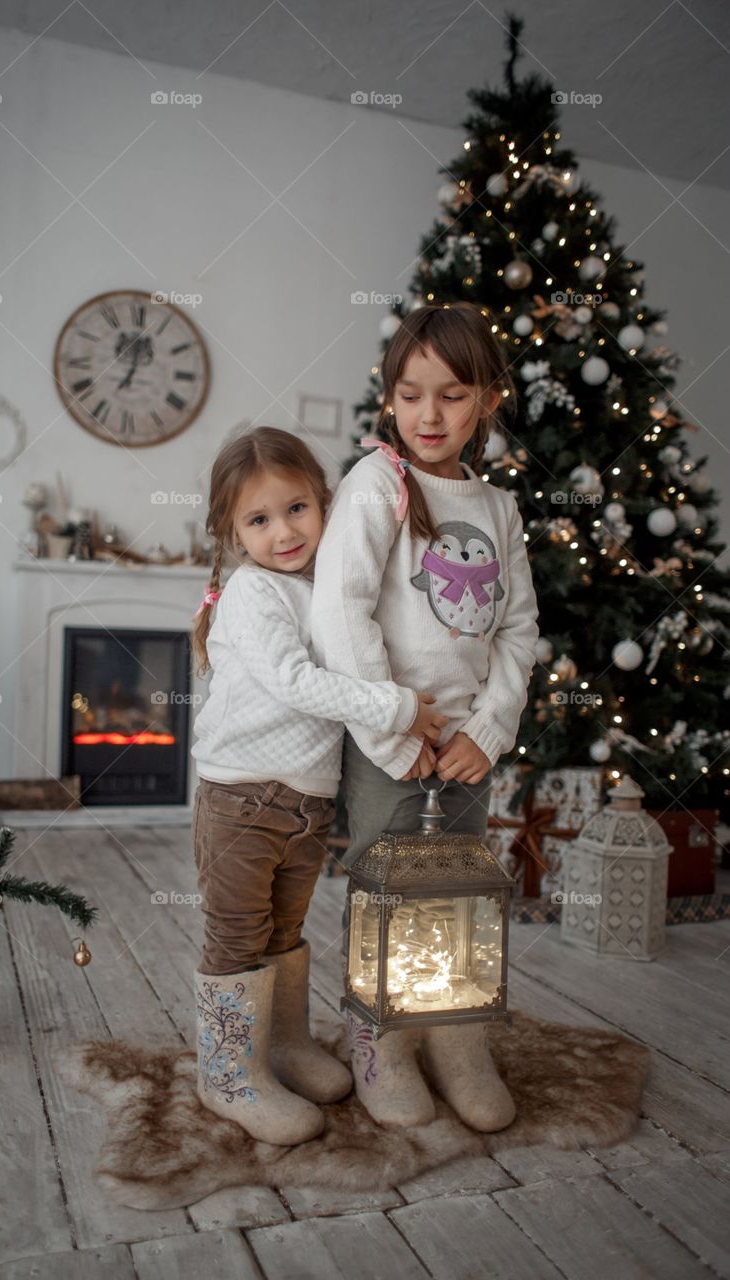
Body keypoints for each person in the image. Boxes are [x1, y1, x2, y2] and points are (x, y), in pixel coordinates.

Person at [311, 303, 540, 1131]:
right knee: (385, 886)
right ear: (390, 399)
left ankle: (451, 1034)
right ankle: (379, 1041)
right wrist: (389, 730)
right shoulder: (376, 486)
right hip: (394, 743)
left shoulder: (498, 509)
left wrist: (487, 730)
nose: (428, 415)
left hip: (465, 750)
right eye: (410, 395)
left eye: (451, 395)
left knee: (454, 893)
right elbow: (340, 615)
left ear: (486, 398)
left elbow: (517, 630)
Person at [189, 426, 446, 1145]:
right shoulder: (251, 590)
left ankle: (284, 1044)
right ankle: (227, 1073)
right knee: (237, 936)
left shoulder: (326, 588)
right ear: (231, 531)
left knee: (285, 932)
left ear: (324, 504)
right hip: (241, 799)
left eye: (297, 508)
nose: (284, 531)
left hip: (304, 803)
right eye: (259, 519)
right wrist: (398, 707)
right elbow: (297, 684)